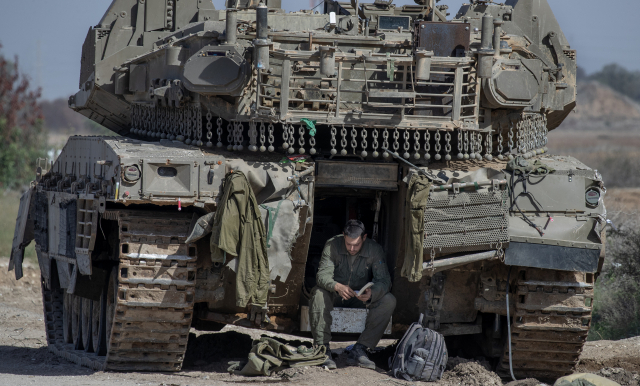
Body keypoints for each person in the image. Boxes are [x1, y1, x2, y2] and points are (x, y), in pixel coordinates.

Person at [309, 219, 396, 370]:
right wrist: (336, 286)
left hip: (359, 298)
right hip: (335, 295)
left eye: (356, 244)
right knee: (317, 293)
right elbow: (322, 276)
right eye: (348, 244)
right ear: (343, 235)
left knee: (389, 300)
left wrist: (371, 293)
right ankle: (322, 350)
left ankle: (360, 350)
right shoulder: (332, 245)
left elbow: (384, 281)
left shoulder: (374, 249)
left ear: (364, 237)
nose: (352, 248)